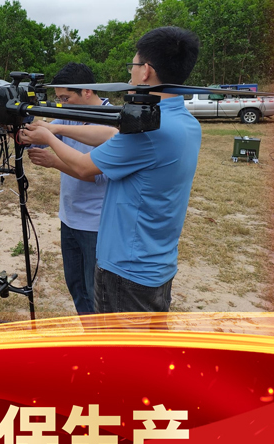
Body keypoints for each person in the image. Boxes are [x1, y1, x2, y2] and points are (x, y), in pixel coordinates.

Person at [20, 26, 201, 314]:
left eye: (133, 66)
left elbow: (84, 167)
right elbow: (109, 134)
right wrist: (55, 128)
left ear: (146, 71)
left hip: (127, 269)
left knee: (113, 340)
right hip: (156, 262)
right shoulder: (183, 122)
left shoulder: (148, 132)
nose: (130, 75)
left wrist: (49, 138)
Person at [27, 62, 110, 314]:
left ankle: (100, 336)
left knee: (96, 291)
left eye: (66, 98)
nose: (62, 104)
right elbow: (41, 137)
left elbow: (96, 176)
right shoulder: (69, 115)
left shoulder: (112, 122)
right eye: (59, 99)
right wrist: (17, 130)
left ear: (87, 91)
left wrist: (54, 162)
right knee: (77, 287)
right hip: (70, 218)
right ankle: (88, 334)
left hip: (96, 223)